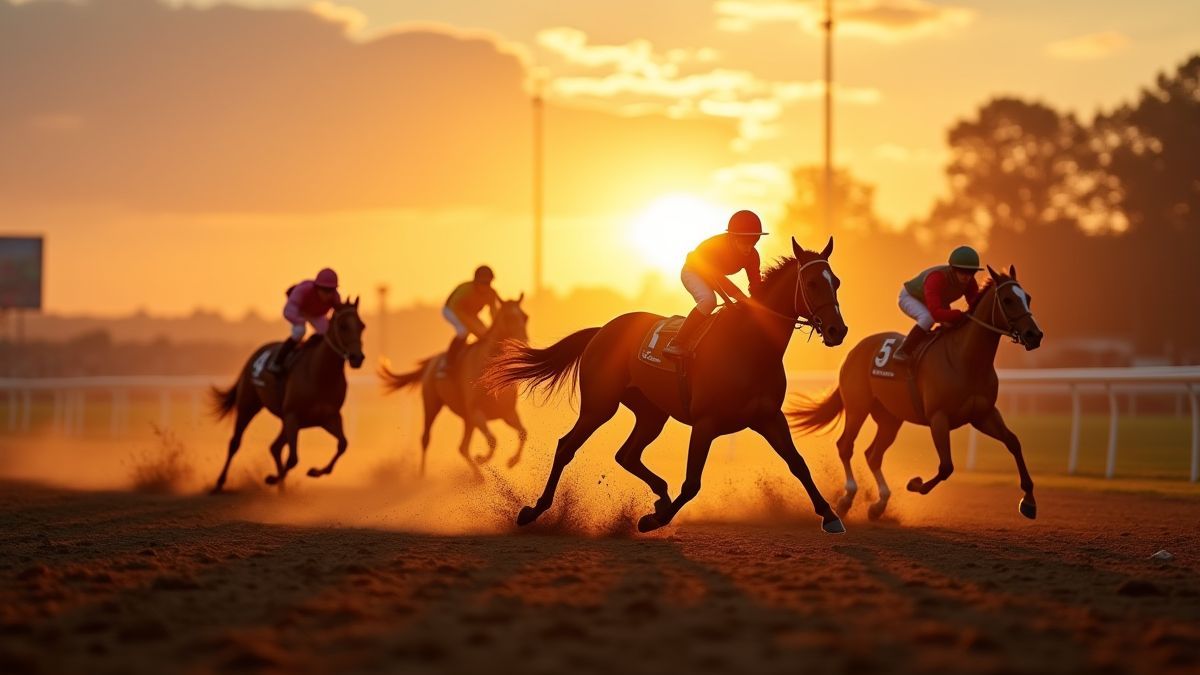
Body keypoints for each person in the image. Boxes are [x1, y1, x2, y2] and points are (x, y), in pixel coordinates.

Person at [663, 210, 765, 359]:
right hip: (693, 271)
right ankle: (676, 343)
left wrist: (761, 301)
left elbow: (755, 283)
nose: (749, 248)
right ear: (732, 237)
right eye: (744, 242)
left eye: (753, 242)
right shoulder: (717, 247)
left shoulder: (753, 256)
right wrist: (743, 298)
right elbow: (719, 280)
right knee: (709, 300)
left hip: (713, 277)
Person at [893, 245, 982, 363]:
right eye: (962, 271)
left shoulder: (970, 282)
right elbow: (936, 314)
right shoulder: (936, 277)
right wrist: (959, 314)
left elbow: (976, 306)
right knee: (928, 318)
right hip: (911, 297)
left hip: (935, 302)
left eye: (971, 272)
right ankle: (903, 351)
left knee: (953, 325)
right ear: (953, 269)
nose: (967, 276)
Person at [268, 267, 341, 373]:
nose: (327, 294)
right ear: (317, 287)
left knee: (327, 333)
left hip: (316, 315)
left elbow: (339, 313)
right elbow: (287, 311)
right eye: (324, 290)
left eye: (331, 290)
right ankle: (277, 362)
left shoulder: (335, 296)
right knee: (299, 331)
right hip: (298, 311)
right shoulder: (303, 290)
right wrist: (300, 321)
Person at [443, 265, 500, 372]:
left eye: (488, 283)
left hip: (470, 314)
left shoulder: (491, 293)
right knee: (463, 331)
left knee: (486, 333)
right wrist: (473, 328)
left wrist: (495, 328)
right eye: (483, 283)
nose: (485, 286)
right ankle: (449, 362)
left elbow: (493, 312)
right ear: (476, 281)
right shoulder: (466, 290)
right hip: (451, 310)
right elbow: (457, 310)